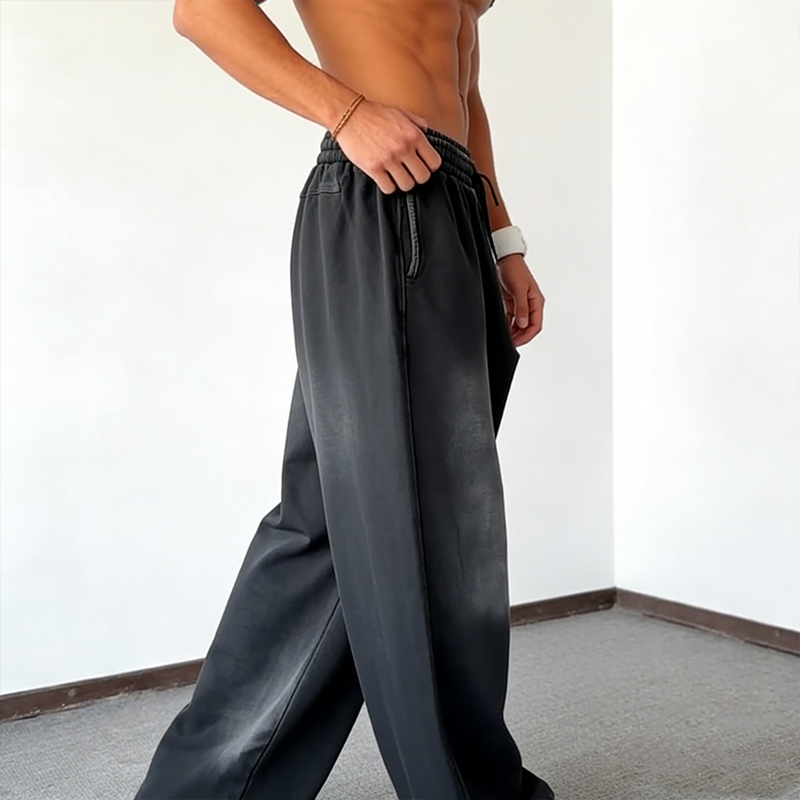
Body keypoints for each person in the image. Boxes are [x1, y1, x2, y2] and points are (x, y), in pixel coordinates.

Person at [133, 1, 551, 798]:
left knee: (336, 526)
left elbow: (463, 74)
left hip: (451, 202)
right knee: (420, 530)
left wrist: (502, 241)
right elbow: (203, 11)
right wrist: (348, 113)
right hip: (387, 196)